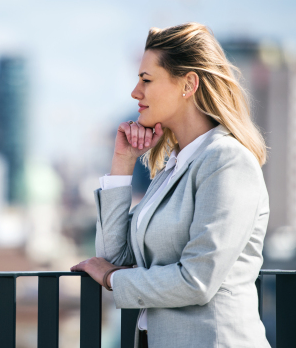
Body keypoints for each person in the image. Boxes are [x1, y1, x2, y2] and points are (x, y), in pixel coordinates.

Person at [70, 22, 271, 347]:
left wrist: (111, 278)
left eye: (146, 80)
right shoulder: (172, 167)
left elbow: (197, 280)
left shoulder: (227, 161)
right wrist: (122, 163)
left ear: (188, 84)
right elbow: (115, 256)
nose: (136, 92)